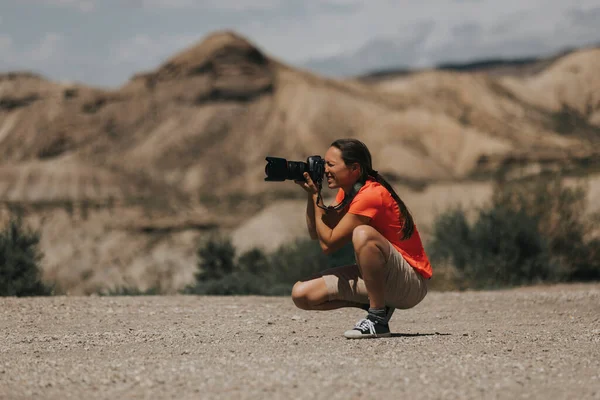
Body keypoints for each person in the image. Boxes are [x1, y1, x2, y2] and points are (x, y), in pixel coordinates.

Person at [291, 138, 432, 339]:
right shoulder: (347, 192)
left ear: (354, 168)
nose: (325, 170)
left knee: (362, 234)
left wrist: (316, 197)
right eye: (324, 164)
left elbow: (328, 244)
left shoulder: (371, 194)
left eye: (330, 165)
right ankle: (378, 303)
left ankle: (377, 319)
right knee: (301, 295)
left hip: (410, 283)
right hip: (384, 280)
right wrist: (311, 195)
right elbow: (318, 232)